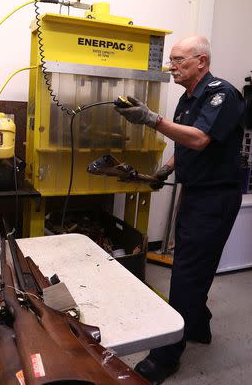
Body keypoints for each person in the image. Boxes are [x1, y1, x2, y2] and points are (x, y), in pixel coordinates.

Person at [114, 35, 246, 384]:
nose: (171, 65)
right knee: (193, 263)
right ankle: (198, 326)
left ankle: (166, 355)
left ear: (201, 61)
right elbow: (185, 140)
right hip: (196, 192)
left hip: (216, 197)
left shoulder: (222, 94)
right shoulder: (187, 99)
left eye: (178, 60)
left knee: (187, 272)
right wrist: (166, 170)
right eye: (171, 59)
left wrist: (150, 119)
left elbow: (201, 139)